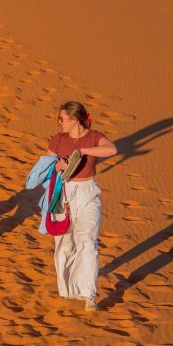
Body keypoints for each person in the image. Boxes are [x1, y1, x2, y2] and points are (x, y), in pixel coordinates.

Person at [46, 101, 117, 311]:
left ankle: (88, 295)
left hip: (88, 193)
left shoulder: (93, 136)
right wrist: (57, 166)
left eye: (63, 119)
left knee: (87, 241)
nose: (59, 122)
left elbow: (112, 149)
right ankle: (67, 289)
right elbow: (45, 165)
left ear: (75, 120)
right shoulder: (58, 139)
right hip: (63, 193)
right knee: (64, 243)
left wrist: (84, 150)